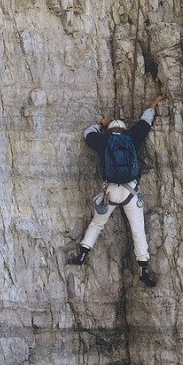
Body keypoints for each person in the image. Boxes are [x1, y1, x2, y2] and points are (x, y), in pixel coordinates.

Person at [69, 95, 163, 287]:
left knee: (97, 224)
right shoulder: (132, 137)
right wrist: (152, 105)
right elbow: (146, 121)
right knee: (138, 231)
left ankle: (82, 255)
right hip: (131, 192)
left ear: (109, 131)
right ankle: (144, 269)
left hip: (111, 193)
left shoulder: (103, 141)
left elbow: (88, 133)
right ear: (123, 130)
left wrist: (100, 124)